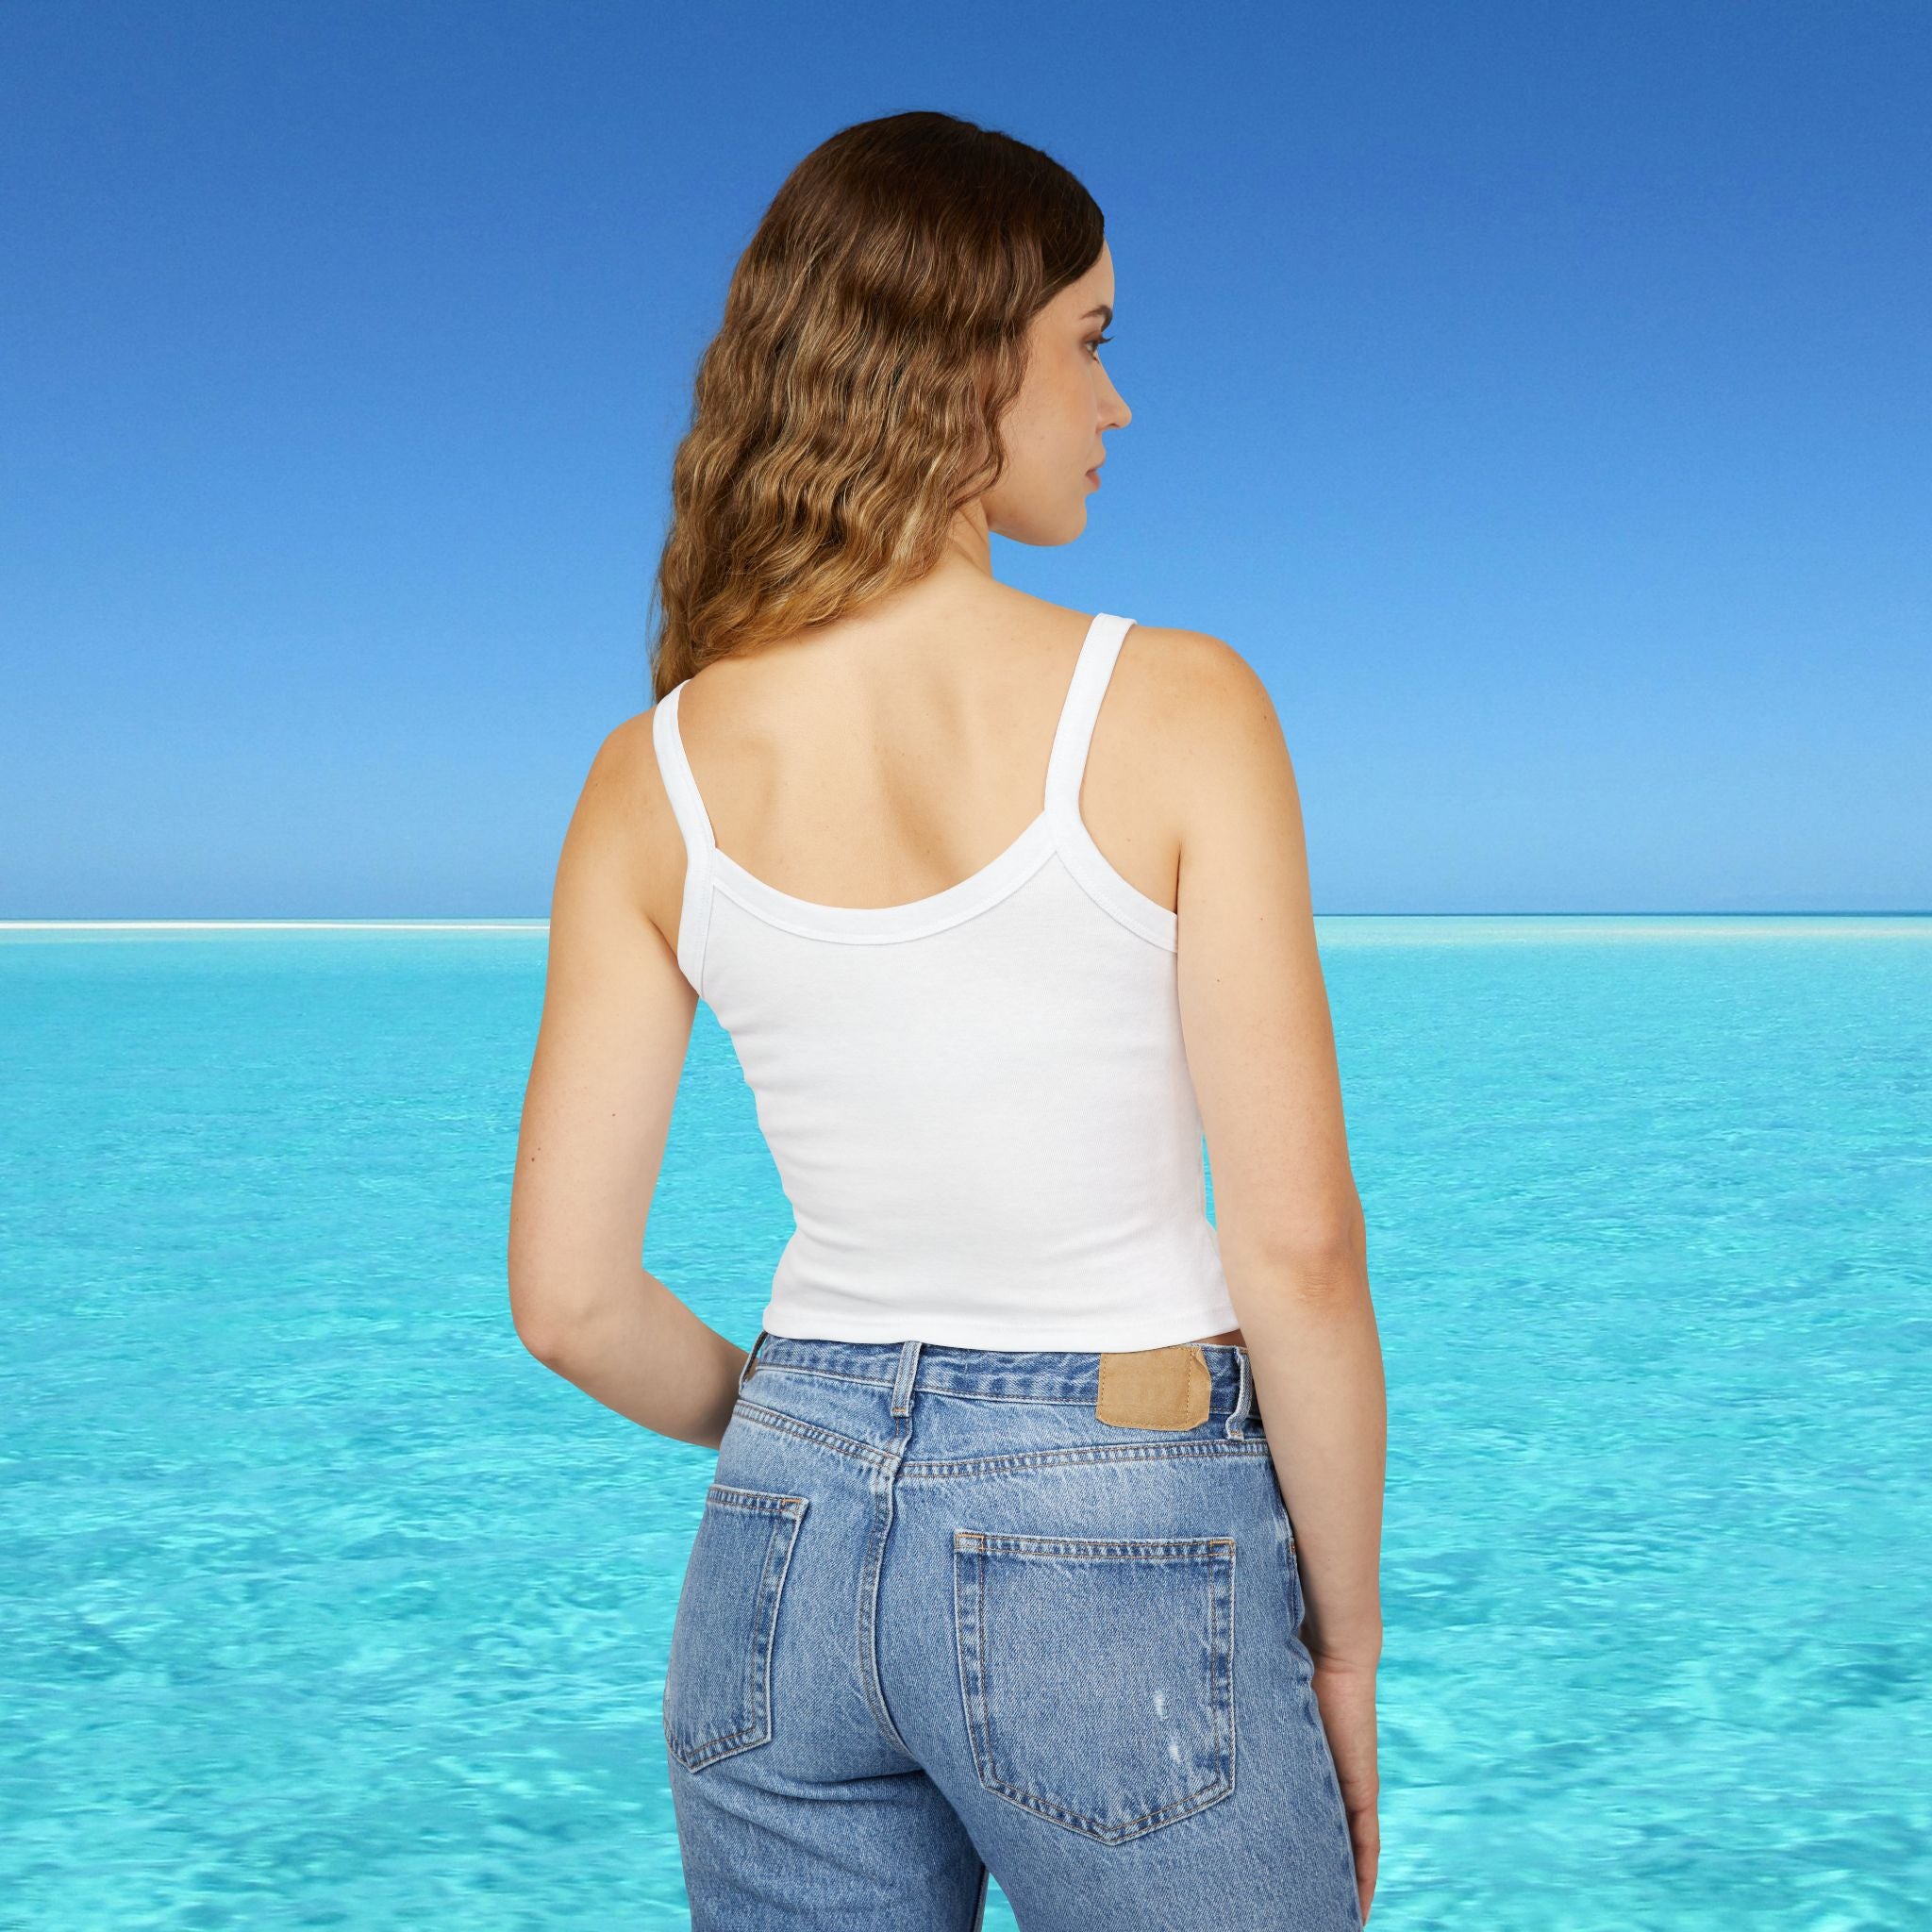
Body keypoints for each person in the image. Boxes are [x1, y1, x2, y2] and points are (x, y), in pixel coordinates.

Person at [508, 108, 1385, 1930]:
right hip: (1121, 1541)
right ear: (972, 356)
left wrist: (823, 1429)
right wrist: (1349, 1653)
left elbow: (572, 1306)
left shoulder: (647, 775)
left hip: (779, 1545)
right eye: (1093, 342)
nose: (1115, 405)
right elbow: (1293, 1248)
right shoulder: (1177, 703)